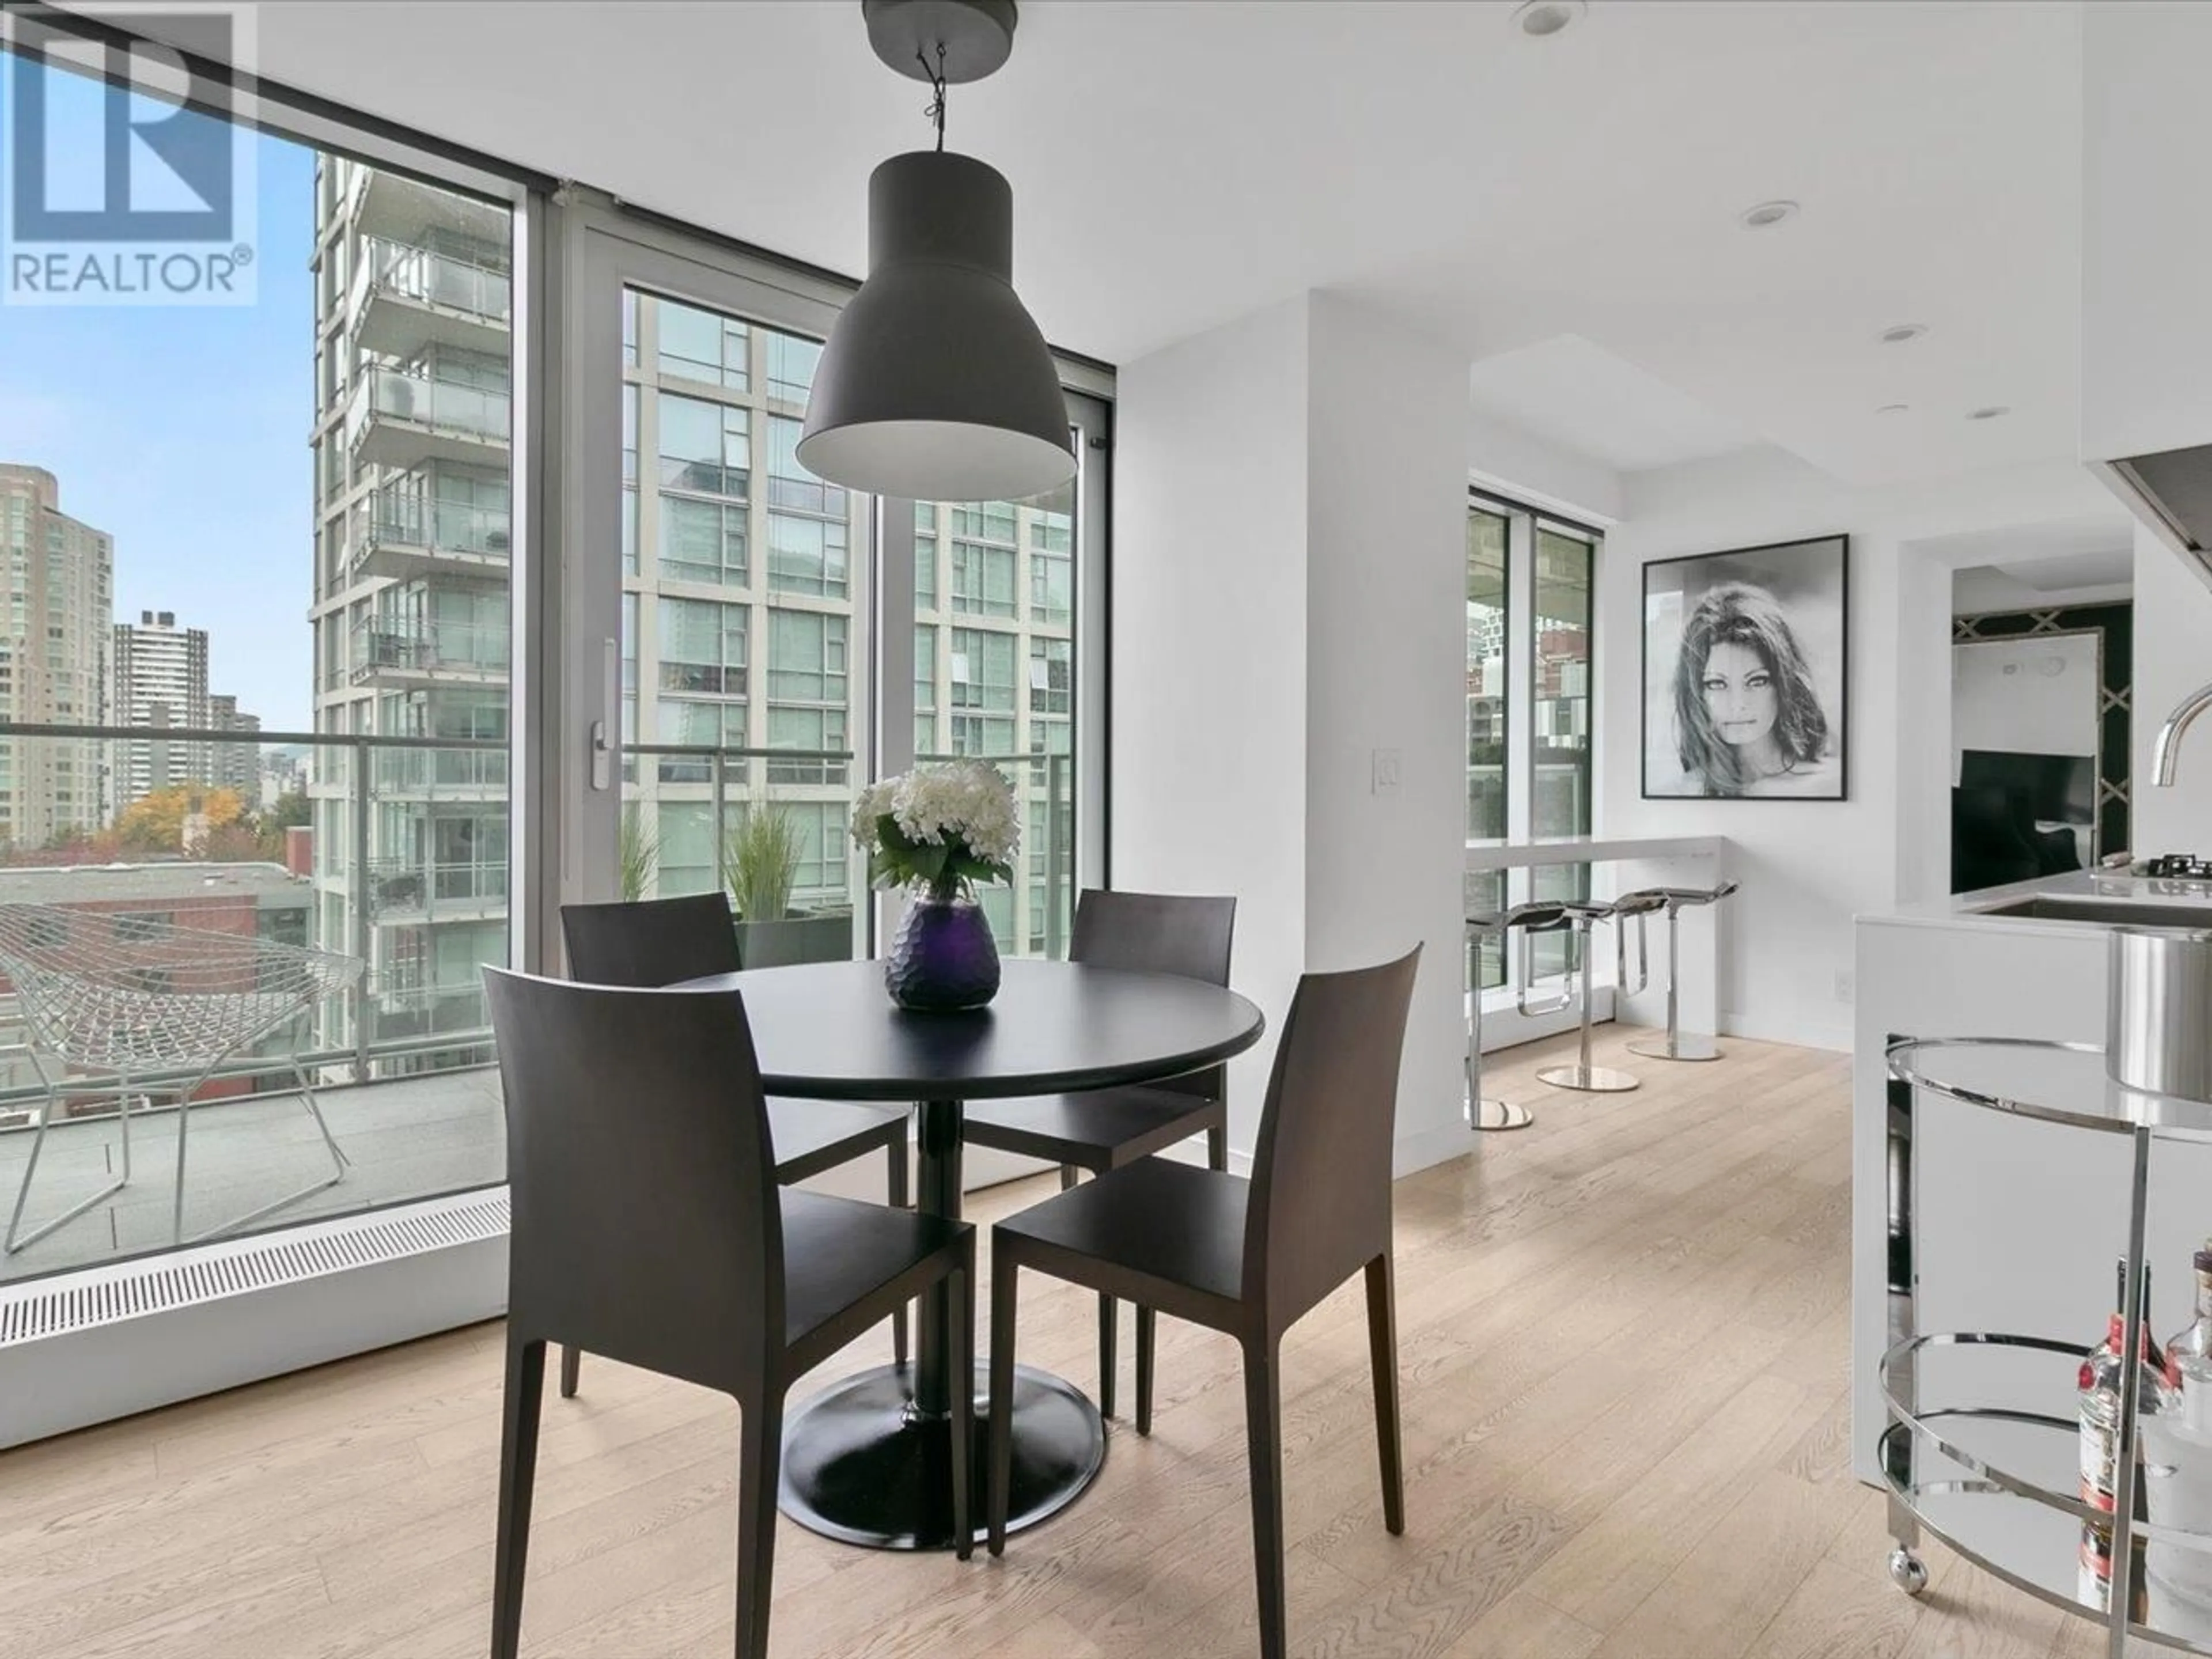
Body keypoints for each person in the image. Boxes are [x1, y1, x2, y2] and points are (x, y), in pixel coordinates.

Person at [1669, 581, 1836, 796]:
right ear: (1695, 693)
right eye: (1717, 684)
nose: (1738, 705)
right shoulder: (1682, 791)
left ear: (1784, 685)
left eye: (1757, 682)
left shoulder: (1828, 785)